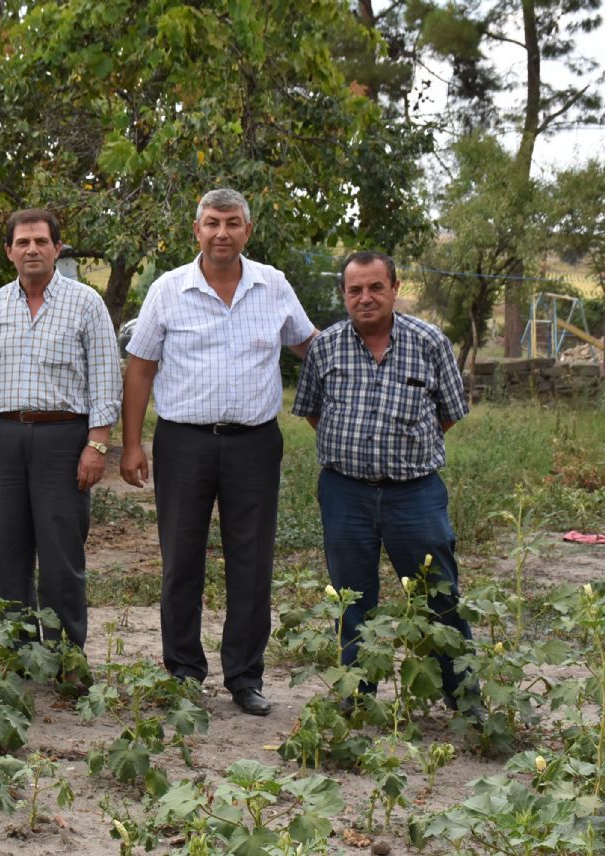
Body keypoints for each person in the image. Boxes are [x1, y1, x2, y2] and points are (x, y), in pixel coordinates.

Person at [119, 188, 317, 717]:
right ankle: (184, 671)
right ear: (197, 230)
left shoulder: (272, 285)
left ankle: (245, 677)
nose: (222, 233)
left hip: (254, 443)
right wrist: (132, 442)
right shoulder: (168, 290)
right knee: (180, 560)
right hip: (183, 443)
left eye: (232, 223)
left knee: (252, 563)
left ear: (247, 231)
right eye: (212, 223)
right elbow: (140, 366)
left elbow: (309, 346)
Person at [292, 251, 474, 710]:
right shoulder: (326, 347)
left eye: (376, 287)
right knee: (352, 601)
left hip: (415, 494)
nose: (365, 298)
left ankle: (464, 699)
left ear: (394, 289)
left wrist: (401, 450)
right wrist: (357, 451)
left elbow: (449, 414)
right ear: (344, 295)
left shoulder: (430, 342)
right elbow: (313, 410)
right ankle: (359, 699)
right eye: (355, 290)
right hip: (345, 493)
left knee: (440, 597)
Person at [0, 208, 121, 650]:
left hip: (62, 440)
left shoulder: (86, 303)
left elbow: (106, 378)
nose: (32, 249)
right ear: (9, 251)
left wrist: (97, 446)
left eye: (41, 242)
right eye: (23, 242)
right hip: (4, 438)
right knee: (7, 550)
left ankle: (65, 653)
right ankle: (16, 651)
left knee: (60, 551)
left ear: (57, 249)